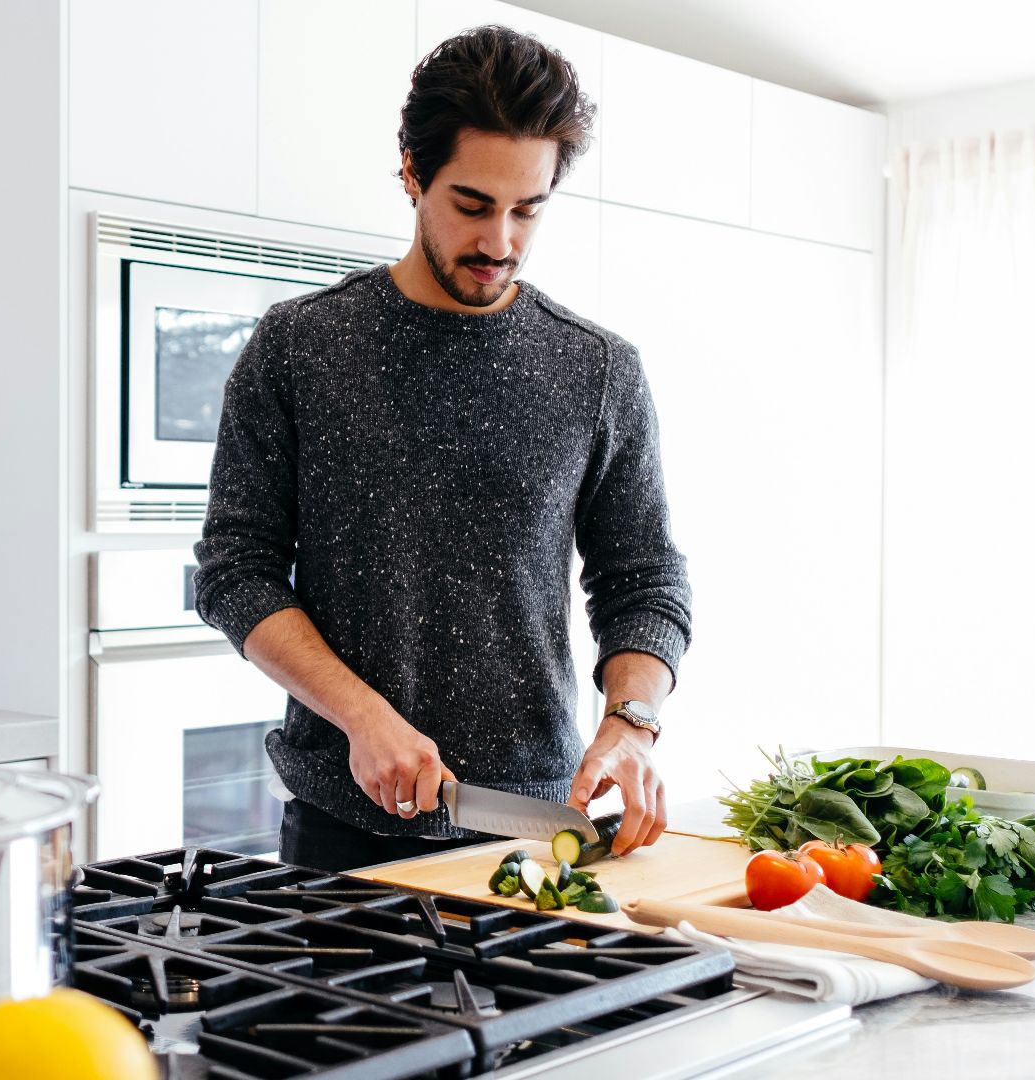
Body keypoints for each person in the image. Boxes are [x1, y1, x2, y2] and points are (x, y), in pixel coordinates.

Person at [191, 24, 691, 874]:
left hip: (536, 828)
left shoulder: (599, 369)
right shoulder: (300, 346)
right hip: (341, 835)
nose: (500, 241)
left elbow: (645, 579)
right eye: (472, 204)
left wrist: (631, 721)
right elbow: (235, 572)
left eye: (527, 208)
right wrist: (360, 716)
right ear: (413, 173)